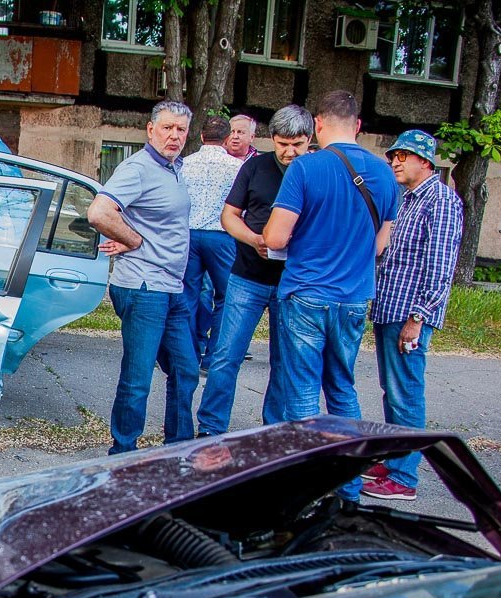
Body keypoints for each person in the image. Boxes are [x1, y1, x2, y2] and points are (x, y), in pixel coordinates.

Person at [263, 90, 398, 503]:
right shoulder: (385, 174)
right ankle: (348, 488)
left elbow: (276, 237)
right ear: (358, 126)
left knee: (302, 391)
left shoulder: (305, 167)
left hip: (306, 293)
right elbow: (380, 246)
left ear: (317, 124)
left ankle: (307, 490)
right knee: (342, 388)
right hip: (354, 297)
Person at [87, 100, 198, 455]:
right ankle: (122, 454)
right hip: (144, 287)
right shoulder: (138, 168)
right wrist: (133, 240)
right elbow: (99, 211)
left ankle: (177, 451)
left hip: (172, 287)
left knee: (185, 369)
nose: (174, 136)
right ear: (151, 130)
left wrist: (135, 235)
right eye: (167, 128)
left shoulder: (174, 168)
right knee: (138, 378)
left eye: (181, 129)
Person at [198, 104, 314, 437]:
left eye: (297, 145)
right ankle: (210, 429)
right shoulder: (255, 167)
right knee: (226, 355)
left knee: (284, 361)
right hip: (247, 277)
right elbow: (229, 216)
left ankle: (273, 430)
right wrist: (253, 239)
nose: (289, 152)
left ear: (310, 139)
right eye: (282, 144)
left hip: (293, 283)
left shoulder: (316, 171)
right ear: (271, 138)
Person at [361, 130, 463, 502]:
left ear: (425, 160)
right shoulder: (407, 199)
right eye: (393, 156)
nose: (395, 162)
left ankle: (404, 478)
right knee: (393, 392)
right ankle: (394, 460)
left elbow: (440, 267)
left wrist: (418, 317)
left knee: (406, 393)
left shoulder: (441, 200)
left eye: (403, 156)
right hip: (390, 308)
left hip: (409, 314)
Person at [181, 116, 242, 369]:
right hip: (222, 235)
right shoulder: (237, 167)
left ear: (201, 136)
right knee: (226, 297)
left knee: (188, 294)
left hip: (189, 234)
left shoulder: (185, 164)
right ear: (227, 138)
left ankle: (187, 355)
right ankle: (214, 356)